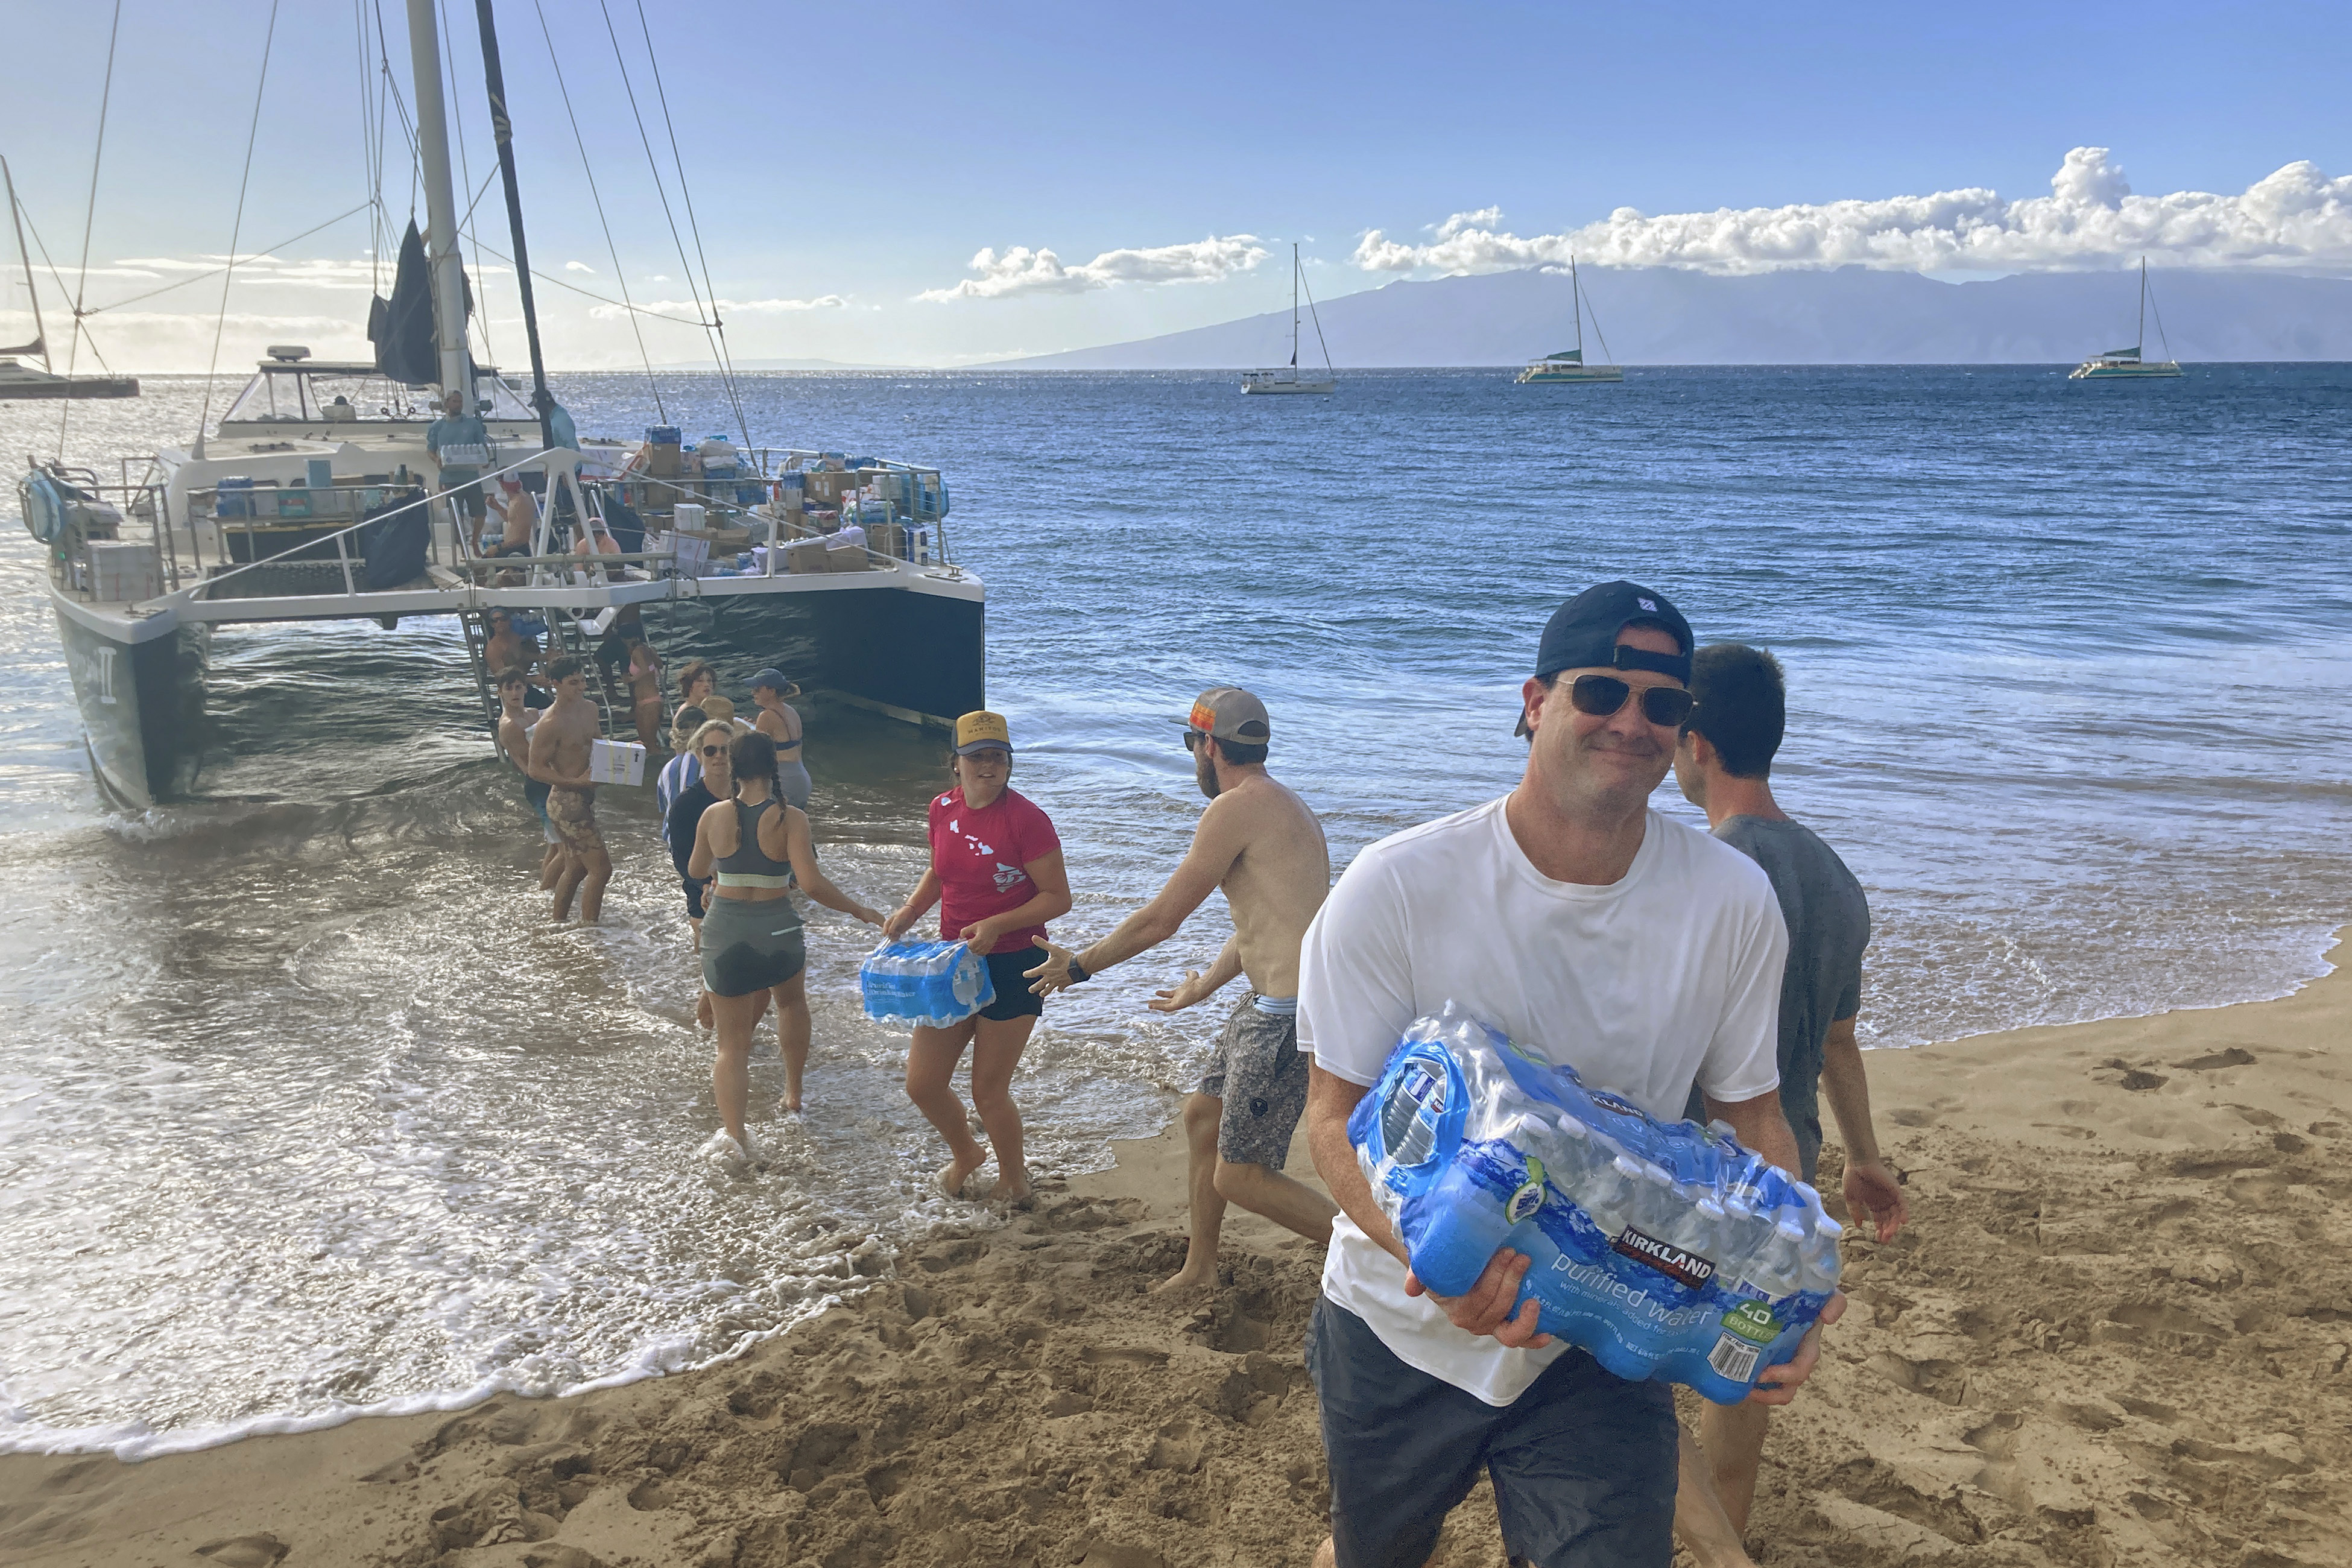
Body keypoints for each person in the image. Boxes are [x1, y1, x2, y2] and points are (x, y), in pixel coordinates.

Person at [1297, 580, 1842, 1568]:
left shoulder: (1731, 899)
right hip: (1397, 1327)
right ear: (1535, 701)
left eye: (1663, 705)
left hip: (1605, 1328)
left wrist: (1793, 1278)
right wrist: (1435, 1259)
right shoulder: (1397, 885)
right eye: (1603, 691)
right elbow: (1333, 1120)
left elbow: (1754, 1118)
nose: (1633, 722)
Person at [1667, 642, 1907, 1565]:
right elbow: (1839, 1039)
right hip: (1791, 1168)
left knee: (1631, 1388)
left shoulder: (1709, 876)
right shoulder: (1836, 879)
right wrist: (1865, 1156)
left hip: (1700, 1167)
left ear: (1694, 745)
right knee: (1738, 1403)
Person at [1025, 687, 1337, 1290]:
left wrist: (1081, 966)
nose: (1194, 754)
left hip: (1287, 1013)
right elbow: (1268, 920)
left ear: (1210, 745)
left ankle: (1384, 1255)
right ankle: (1201, 1267)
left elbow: (1160, 918)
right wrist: (1206, 986)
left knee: (1241, 1175)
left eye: (1192, 743)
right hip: (1272, 1002)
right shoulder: (1282, 803)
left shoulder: (1234, 808)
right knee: (1202, 1116)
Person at [882, 711, 1072, 1202]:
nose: (987, 766)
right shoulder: (942, 808)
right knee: (922, 1084)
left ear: (1008, 762)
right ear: (956, 763)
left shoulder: (1026, 819)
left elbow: (1057, 897)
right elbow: (939, 873)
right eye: (976, 757)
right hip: (953, 963)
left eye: (997, 757)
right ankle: (967, 1153)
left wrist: (997, 925)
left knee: (988, 1091)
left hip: (1015, 965)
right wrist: (909, 911)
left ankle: (1016, 1181)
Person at [687, 729, 884, 1158]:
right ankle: (793, 1094)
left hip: (726, 934)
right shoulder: (790, 817)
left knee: (731, 1045)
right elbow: (811, 885)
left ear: (734, 768)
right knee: (791, 1004)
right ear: (774, 767)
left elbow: (696, 867)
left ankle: (735, 1137)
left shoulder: (713, 815)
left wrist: (718, 875)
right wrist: (859, 910)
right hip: (778, 931)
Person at [528, 654, 614, 924]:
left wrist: (624, 754)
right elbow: (535, 769)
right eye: (573, 682)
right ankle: (590, 927)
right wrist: (576, 783)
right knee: (601, 870)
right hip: (566, 802)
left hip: (583, 799)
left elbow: (598, 746)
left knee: (576, 867)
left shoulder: (590, 709)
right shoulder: (550, 723)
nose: (581, 687)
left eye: (583, 680)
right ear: (555, 684)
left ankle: (558, 923)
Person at [495, 666, 567, 891]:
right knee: (564, 846)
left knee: (556, 845)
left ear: (526, 689)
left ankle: (548, 889)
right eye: (509, 688)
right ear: (501, 692)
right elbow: (534, 761)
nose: (515, 693)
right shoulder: (509, 726)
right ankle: (546, 890)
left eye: (519, 687)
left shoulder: (533, 713)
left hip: (550, 778)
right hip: (538, 783)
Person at [425, 388, 487, 540]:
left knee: (480, 512)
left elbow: (482, 445)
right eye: (455, 401)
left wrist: (486, 459)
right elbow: (430, 450)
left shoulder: (473, 424)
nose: (458, 405)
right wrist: (436, 459)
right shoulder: (437, 426)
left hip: (471, 476)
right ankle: (461, 544)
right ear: (446, 403)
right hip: (449, 477)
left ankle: (474, 541)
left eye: (460, 402)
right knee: (456, 513)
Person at [748, 668, 811, 811]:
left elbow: (757, 755)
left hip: (784, 782)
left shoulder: (766, 716)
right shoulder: (790, 711)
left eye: (757, 689)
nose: (753, 692)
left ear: (771, 691)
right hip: (801, 779)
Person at [656, 704, 713, 823]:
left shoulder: (666, 770)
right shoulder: (711, 763)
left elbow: (665, 808)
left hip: (673, 837)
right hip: (704, 833)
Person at [627, 640, 666, 751]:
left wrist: (630, 679)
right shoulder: (649, 651)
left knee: (650, 743)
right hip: (646, 700)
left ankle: (659, 765)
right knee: (646, 743)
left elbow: (645, 670)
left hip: (650, 700)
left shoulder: (637, 651)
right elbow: (659, 665)